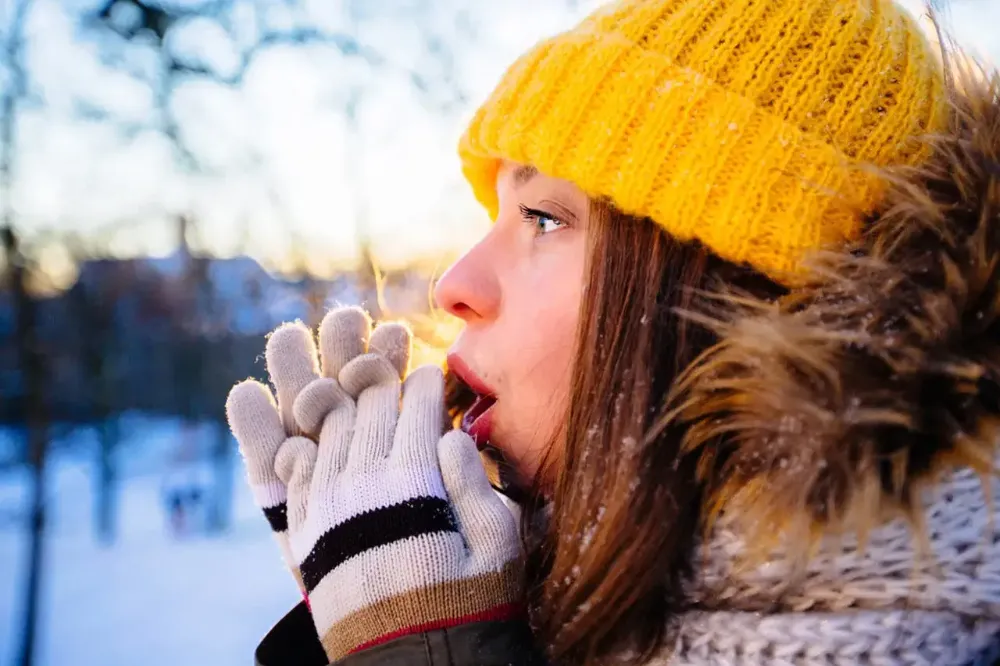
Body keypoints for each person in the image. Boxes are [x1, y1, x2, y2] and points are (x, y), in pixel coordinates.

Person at [226, 0, 1000, 663]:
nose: (453, 286)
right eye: (495, 215)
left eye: (544, 218)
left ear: (732, 292)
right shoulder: (580, 586)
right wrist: (358, 612)